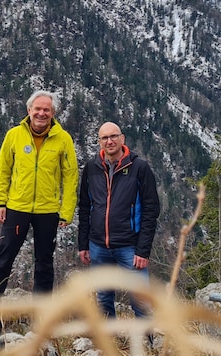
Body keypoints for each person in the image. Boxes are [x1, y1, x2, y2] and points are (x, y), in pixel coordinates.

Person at [0, 90, 79, 307]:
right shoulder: (14, 136)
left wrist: (66, 211)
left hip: (48, 211)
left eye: (46, 109)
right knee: (4, 258)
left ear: (53, 112)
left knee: (45, 263)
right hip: (17, 208)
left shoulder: (63, 139)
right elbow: (4, 171)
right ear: (29, 110)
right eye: (37, 109)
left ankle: (42, 313)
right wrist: (0, 202)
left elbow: (70, 177)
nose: (41, 113)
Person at [77, 122, 160, 319]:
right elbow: (85, 207)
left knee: (140, 299)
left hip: (130, 247)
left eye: (113, 136)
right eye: (104, 138)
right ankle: (109, 342)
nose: (109, 141)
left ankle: (146, 343)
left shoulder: (139, 168)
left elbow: (151, 210)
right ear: (99, 142)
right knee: (104, 298)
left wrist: (143, 250)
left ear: (122, 139)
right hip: (98, 245)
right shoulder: (92, 167)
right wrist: (83, 244)